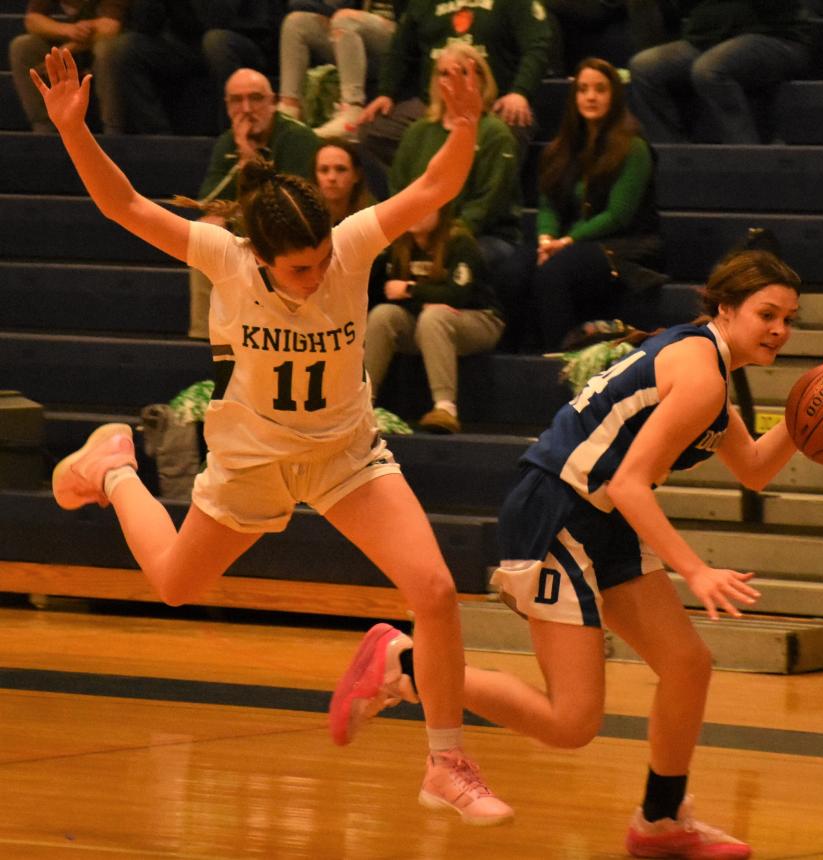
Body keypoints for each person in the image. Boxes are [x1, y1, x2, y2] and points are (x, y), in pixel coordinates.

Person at [33, 45, 513, 826]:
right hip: (252, 461)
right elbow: (123, 205)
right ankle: (116, 465)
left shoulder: (349, 247)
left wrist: (462, 126)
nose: (316, 273)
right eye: (298, 268)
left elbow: (434, 185)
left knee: (433, 591)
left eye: (321, 257)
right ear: (260, 258)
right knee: (176, 587)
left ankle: (446, 761)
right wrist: (74, 132)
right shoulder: (224, 258)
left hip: (344, 455)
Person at [335, 247, 804, 857]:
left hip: (598, 516)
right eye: (768, 314)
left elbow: (755, 469)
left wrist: (804, 414)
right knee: (572, 724)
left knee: (688, 664)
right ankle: (404, 662)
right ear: (725, 308)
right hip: (559, 511)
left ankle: (660, 822)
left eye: (789, 320)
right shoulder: (699, 373)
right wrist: (694, 569)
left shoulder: (708, 367)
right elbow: (630, 483)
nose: (779, 330)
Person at [515, 57, 663, 351]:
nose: (591, 96)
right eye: (583, 89)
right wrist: (547, 239)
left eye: (600, 89)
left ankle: (560, 358)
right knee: (514, 270)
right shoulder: (561, 148)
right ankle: (522, 357)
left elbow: (619, 215)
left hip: (626, 246)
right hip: (570, 244)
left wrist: (567, 241)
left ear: (614, 95)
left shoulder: (633, 147)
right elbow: (548, 204)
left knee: (554, 271)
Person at [185, 68, 321, 339]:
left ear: (273, 101)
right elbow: (209, 203)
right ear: (226, 106)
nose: (247, 109)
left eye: (256, 98)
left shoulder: (297, 138)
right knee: (205, 237)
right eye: (237, 100)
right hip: (248, 228)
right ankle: (207, 337)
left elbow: (293, 205)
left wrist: (249, 160)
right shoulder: (227, 142)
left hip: (294, 231)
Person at [357, 0, 553, 188]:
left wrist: (520, 92)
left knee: (513, 124)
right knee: (372, 130)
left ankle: (477, 203)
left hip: (492, 104)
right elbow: (399, 49)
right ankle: (415, 198)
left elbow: (537, 46)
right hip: (433, 106)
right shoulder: (422, 3)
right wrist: (386, 92)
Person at [365, 204, 505, 434]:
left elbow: (458, 295)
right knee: (383, 315)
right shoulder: (399, 244)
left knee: (435, 316)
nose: (415, 213)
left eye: (425, 208)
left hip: (479, 319)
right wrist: (425, 297)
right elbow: (388, 292)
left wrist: (411, 290)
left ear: (441, 211)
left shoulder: (460, 242)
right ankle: (362, 403)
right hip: (425, 322)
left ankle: (445, 408)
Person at [388, 43, 523, 275]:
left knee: (457, 260)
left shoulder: (494, 133)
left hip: (483, 236)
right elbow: (398, 189)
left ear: (480, 79)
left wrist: (445, 240)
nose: (451, 80)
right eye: (443, 74)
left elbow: (488, 204)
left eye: (461, 72)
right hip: (419, 235)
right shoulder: (417, 132)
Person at [628, 0, 811, 144]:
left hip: (775, 35)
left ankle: (745, 156)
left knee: (710, 69)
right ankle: (672, 155)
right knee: (644, 66)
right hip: (709, 39)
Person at [104, 0, 284, 134]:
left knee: (215, 42)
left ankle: (231, 140)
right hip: (189, 44)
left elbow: (218, 20)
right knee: (125, 48)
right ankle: (159, 140)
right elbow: (144, 25)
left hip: (245, 40)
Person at [278, 0, 403, 138]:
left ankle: (351, 108)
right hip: (356, 32)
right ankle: (289, 110)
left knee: (345, 19)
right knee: (296, 22)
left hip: (400, 36)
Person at [8, 0, 128, 133]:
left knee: (107, 50)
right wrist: (68, 30)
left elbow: (110, 28)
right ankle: (47, 132)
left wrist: (67, 49)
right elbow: (32, 20)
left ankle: (114, 133)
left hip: (119, 45)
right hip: (78, 40)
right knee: (23, 47)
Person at [314, 137, 376, 224]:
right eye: (324, 170)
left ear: (356, 175)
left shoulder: (373, 218)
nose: (331, 178)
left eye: (341, 169)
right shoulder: (303, 218)